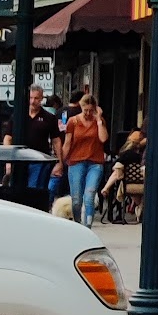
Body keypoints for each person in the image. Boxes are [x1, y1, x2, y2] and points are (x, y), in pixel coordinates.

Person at [61, 93, 109, 227]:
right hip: (76, 162)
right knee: (76, 198)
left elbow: (103, 138)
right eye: (85, 110)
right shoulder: (73, 121)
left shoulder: (98, 121)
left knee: (89, 195)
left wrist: (99, 120)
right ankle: (78, 223)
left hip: (95, 163)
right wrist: (60, 161)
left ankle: (88, 226)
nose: (88, 113)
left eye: (91, 110)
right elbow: (67, 142)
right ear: (81, 107)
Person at [20, 85, 61, 194]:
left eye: (36, 98)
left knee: (34, 190)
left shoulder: (49, 117)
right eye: (31, 98)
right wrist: (8, 161)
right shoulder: (19, 115)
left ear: (41, 99)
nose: (33, 101)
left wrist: (60, 162)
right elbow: (8, 137)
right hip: (20, 160)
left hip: (39, 159)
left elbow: (56, 140)